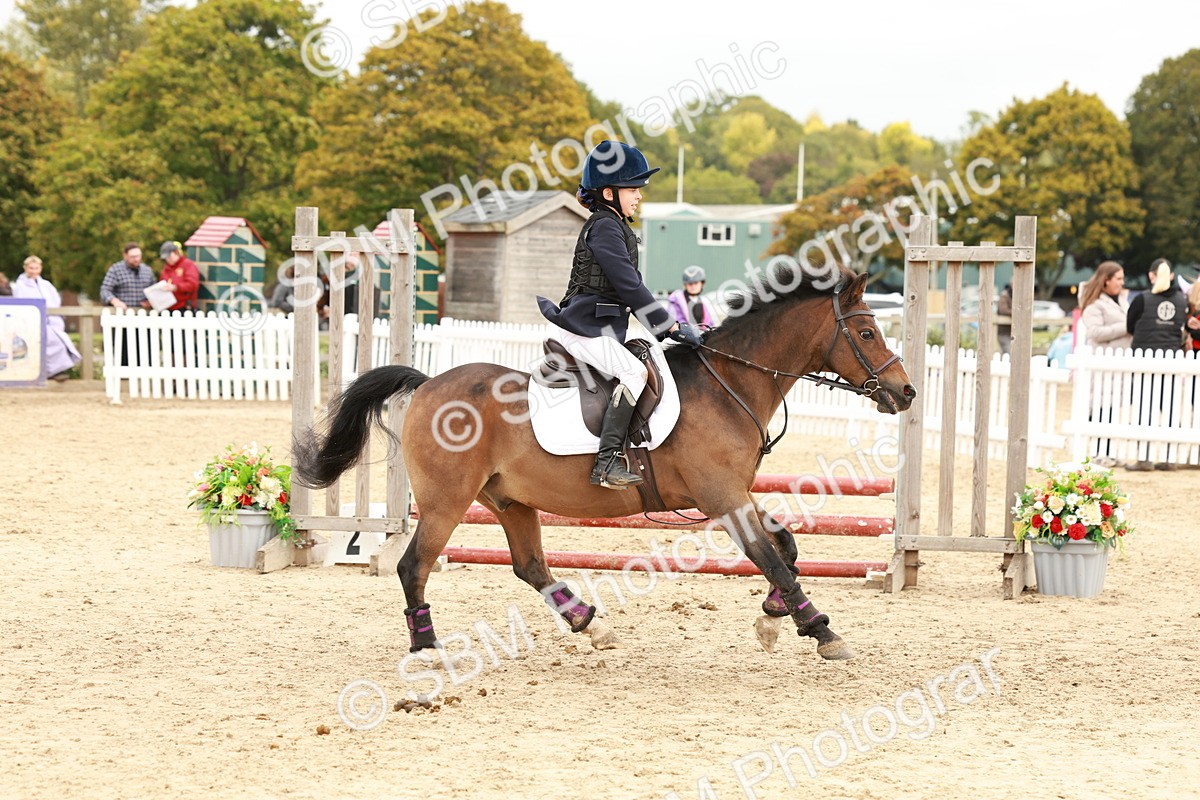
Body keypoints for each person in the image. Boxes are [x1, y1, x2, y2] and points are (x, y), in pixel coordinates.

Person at [537, 140, 701, 490]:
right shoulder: (605, 226)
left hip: (601, 326)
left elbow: (634, 286)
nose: (640, 195)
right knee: (634, 372)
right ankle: (606, 461)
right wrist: (670, 326)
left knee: (649, 357)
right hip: (585, 328)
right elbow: (628, 285)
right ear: (609, 192)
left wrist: (671, 327)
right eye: (633, 189)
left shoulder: (615, 225)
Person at [1125, 259, 1187, 471]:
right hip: (1170, 357)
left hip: (1144, 357)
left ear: (1152, 276)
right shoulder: (1181, 299)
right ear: (1171, 275)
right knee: (1168, 408)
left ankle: (1144, 458)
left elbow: (1130, 325)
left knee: (1144, 408)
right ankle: (1170, 458)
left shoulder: (1143, 299)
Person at [1077, 261, 1132, 467]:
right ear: (1106, 280)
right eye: (1118, 278)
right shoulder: (1093, 305)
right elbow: (1095, 333)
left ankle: (1107, 450)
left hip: (1117, 363)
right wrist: (1126, 327)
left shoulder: (1121, 301)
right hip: (1101, 364)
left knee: (1110, 410)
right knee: (1099, 409)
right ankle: (1098, 451)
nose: (1121, 282)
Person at [11, 256, 82, 381]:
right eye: (31, 268)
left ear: (40, 268)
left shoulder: (46, 285)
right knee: (49, 340)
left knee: (59, 340)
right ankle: (50, 371)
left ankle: (55, 371)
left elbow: (55, 301)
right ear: (25, 268)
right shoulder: (20, 285)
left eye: (36, 268)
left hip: (51, 320)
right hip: (31, 321)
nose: (33, 271)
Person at [99, 242, 156, 366]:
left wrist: (150, 302)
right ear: (125, 256)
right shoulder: (115, 270)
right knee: (123, 353)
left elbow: (154, 290)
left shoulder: (147, 271)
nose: (136, 259)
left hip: (142, 319)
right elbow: (105, 290)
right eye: (133, 256)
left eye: (138, 256)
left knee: (144, 354)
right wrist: (114, 301)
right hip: (122, 319)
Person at [158, 241, 200, 312]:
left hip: (184, 307)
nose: (168, 259)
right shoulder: (166, 268)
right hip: (168, 307)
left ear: (176, 252)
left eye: (169, 256)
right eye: (166, 258)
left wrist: (176, 287)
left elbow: (193, 284)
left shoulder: (188, 265)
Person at [996, 283, 1013, 355]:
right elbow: (1003, 310)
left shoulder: (1014, 295)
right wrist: (1016, 311)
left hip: (1012, 332)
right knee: (1008, 354)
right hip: (1004, 332)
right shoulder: (1004, 296)